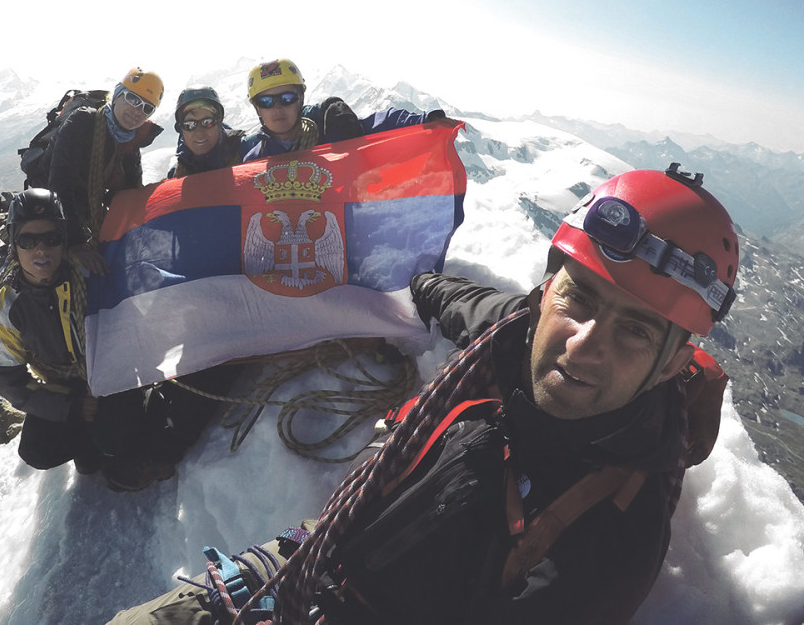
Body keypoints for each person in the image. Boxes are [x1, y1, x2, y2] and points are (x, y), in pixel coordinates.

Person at [106, 163, 740, 624]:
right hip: (323, 548)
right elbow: (472, 306)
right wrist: (418, 283)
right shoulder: (515, 336)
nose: (582, 345)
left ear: (670, 364)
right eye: (579, 298)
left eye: (634, 330)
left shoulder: (608, 548)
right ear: (548, 293)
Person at [0, 189, 215, 491]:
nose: (41, 250)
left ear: (63, 240)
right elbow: (9, 381)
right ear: (15, 245)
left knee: (114, 440)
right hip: (65, 387)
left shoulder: (91, 273)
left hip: (112, 373)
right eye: (28, 241)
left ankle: (132, 420)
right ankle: (91, 443)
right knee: (37, 451)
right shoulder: (7, 308)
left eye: (51, 238)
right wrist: (69, 408)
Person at [47, 67, 165, 275]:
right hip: (50, 208)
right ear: (117, 94)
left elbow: (128, 196)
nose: (137, 111)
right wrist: (76, 244)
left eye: (147, 108)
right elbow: (59, 185)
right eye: (132, 99)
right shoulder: (82, 123)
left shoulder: (130, 147)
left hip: (84, 215)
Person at [240, 58, 447, 162]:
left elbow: (381, 123)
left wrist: (425, 120)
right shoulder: (253, 159)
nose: (277, 108)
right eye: (266, 102)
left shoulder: (328, 128)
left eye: (287, 98)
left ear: (301, 100)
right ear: (257, 108)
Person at [168, 85, 245, 178]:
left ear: (219, 123)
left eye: (207, 122)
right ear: (181, 129)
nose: (200, 133)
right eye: (190, 125)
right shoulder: (176, 175)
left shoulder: (246, 153)